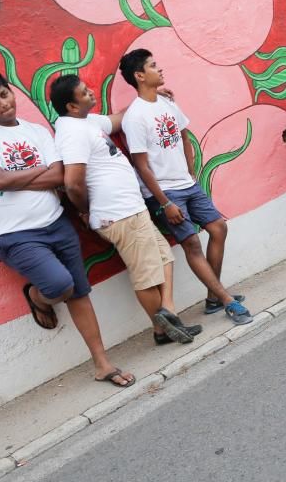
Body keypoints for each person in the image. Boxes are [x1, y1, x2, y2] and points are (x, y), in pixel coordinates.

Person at [0, 71, 135, 388]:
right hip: (12, 233)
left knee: (79, 292)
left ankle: (102, 364)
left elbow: (59, 176)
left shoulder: (38, 131)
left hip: (56, 223)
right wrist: (40, 171)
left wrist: (21, 178)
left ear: (11, 92)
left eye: (4, 94)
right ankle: (38, 297)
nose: (3, 104)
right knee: (59, 286)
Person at [51, 74, 202, 347]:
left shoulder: (86, 121)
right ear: (72, 107)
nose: (91, 93)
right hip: (119, 213)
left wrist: (151, 97)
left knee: (164, 258)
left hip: (131, 209)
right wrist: (85, 211)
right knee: (146, 275)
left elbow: (120, 117)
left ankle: (167, 314)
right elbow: (72, 183)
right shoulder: (72, 133)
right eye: (85, 93)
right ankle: (161, 329)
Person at [118, 49, 254, 324]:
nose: (160, 69)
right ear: (140, 75)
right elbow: (141, 165)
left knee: (218, 228)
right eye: (153, 66)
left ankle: (213, 297)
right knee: (191, 243)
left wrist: (191, 173)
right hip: (165, 193)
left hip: (187, 184)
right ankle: (226, 300)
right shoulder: (134, 117)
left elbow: (184, 135)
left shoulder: (167, 103)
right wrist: (165, 203)